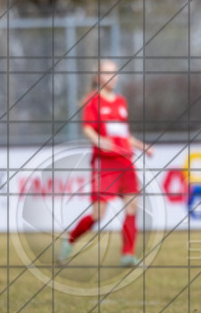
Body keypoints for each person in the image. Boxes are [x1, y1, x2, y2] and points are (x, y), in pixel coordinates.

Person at [58, 59, 153, 267]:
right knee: (98, 215)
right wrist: (99, 141)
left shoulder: (121, 102)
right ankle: (70, 239)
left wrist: (141, 145)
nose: (113, 77)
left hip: (125, 162)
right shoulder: (93, 101)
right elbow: (88, 129)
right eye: (108, 73)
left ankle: (127, 254)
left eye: (115, 73)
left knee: (132, 207)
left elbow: (123, 135)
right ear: (98, 77)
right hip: (105, 164)